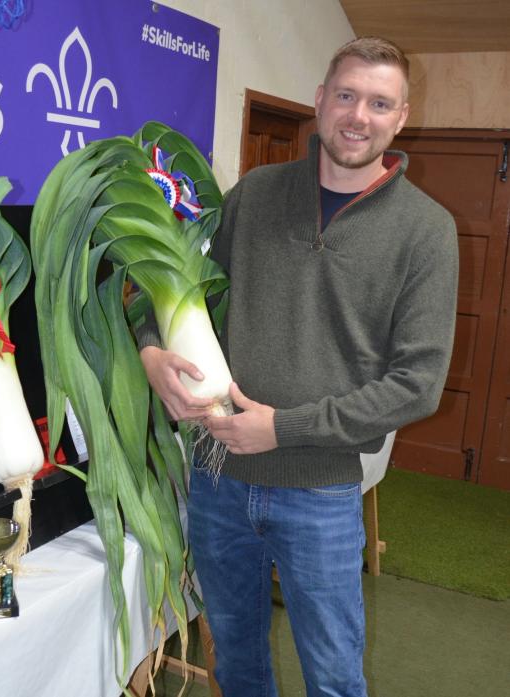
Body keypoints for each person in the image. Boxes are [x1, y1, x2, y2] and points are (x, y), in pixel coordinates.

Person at [139, 37, 459, 697]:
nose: (357, 115)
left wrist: (282, 428)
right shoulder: (253, 194)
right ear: (319, 100)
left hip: (318, 489)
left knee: (335, 675)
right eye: (345, 95)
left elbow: (416, 384)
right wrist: (149, 350)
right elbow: (172, 287)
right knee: (236, 661)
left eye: (378, 103)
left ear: (400, 118)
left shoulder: (425, 230)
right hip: (217, 478)